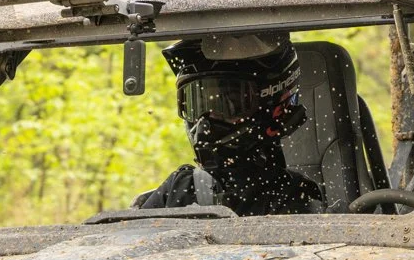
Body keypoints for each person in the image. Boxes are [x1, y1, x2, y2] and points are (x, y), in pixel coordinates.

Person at [132, 34, 324, 216]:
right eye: (197, 105)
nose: (205, 122)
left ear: (273, 106)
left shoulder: (293, 196)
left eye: (228, 104)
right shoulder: (180, 188)